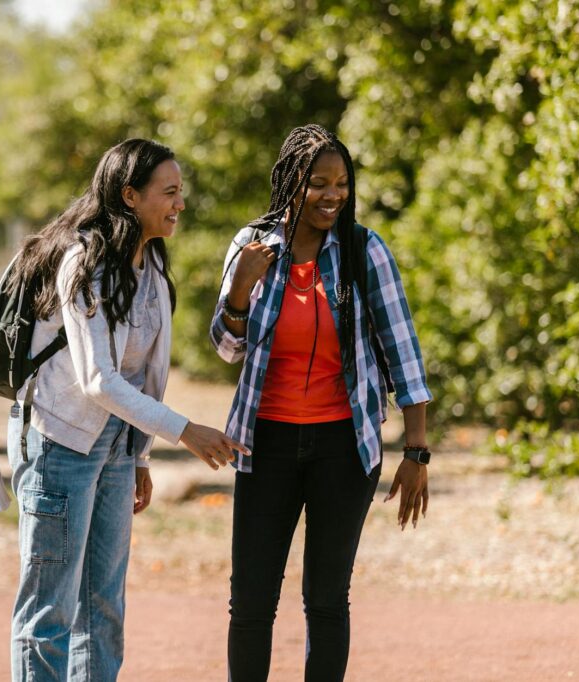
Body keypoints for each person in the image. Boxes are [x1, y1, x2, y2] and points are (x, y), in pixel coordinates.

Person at [7, 138, 249, 682]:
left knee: (103, 608)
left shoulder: (154, 264)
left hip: (115, 445)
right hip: (59, 442)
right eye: (168, 192)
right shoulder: (83, 261)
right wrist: (184, 431)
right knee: (50, 610)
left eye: (179, 192)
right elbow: (98, 379)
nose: (179, 204)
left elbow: (146, 372)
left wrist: (138, 455)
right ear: (129, 196)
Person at [210, 123, 433, 681]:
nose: (334, 195)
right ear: (292, 183)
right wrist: (240, 287)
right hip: (265, 445)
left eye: (342, 183)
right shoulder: (252, 245)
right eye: (319, 183)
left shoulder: (364, 250)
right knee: (252, 600)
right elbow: (226, 348)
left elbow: (402, 349)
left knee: (327, 599)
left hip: (344, 446)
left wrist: (417, 451)